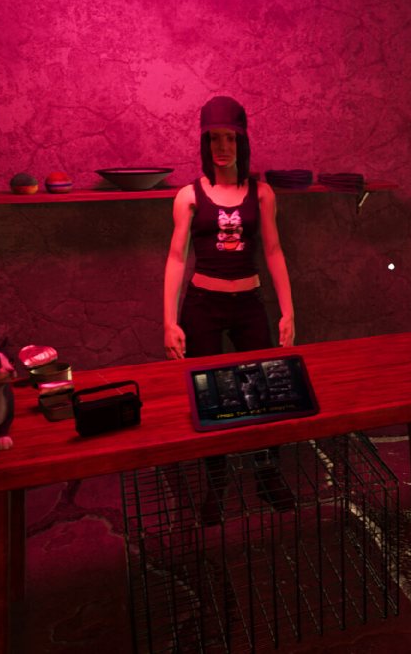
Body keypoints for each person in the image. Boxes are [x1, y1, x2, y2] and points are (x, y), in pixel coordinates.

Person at [163, 95, 295, 521]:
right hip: (203, 303)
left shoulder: (262, 194)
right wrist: (169, 322)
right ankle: (215, 485)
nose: (222, 147)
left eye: (230, 138)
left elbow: (273, 250)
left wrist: (288, 311)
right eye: (214, 138)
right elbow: (177, 258)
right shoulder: (188, 195)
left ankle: (267, 474)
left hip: (248, 301)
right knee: (209, 395)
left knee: (266, 391)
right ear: (204, 143)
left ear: (243, 141)